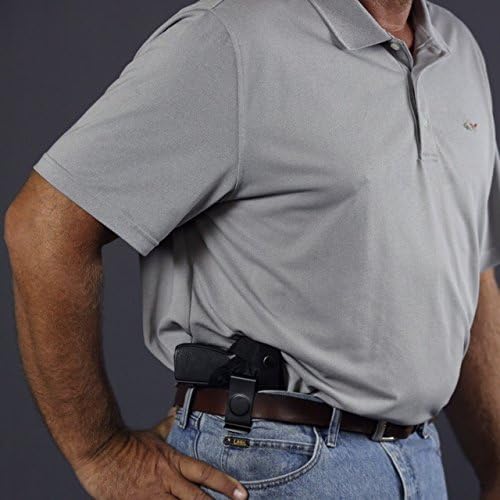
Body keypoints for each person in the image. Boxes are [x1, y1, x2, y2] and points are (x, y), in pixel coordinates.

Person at [5, 0, 500, 497]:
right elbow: (42, 227)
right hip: (276, 464)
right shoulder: (230, 39)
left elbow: (464, 267)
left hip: (420, 462)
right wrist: (101, 453)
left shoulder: (455, 49)